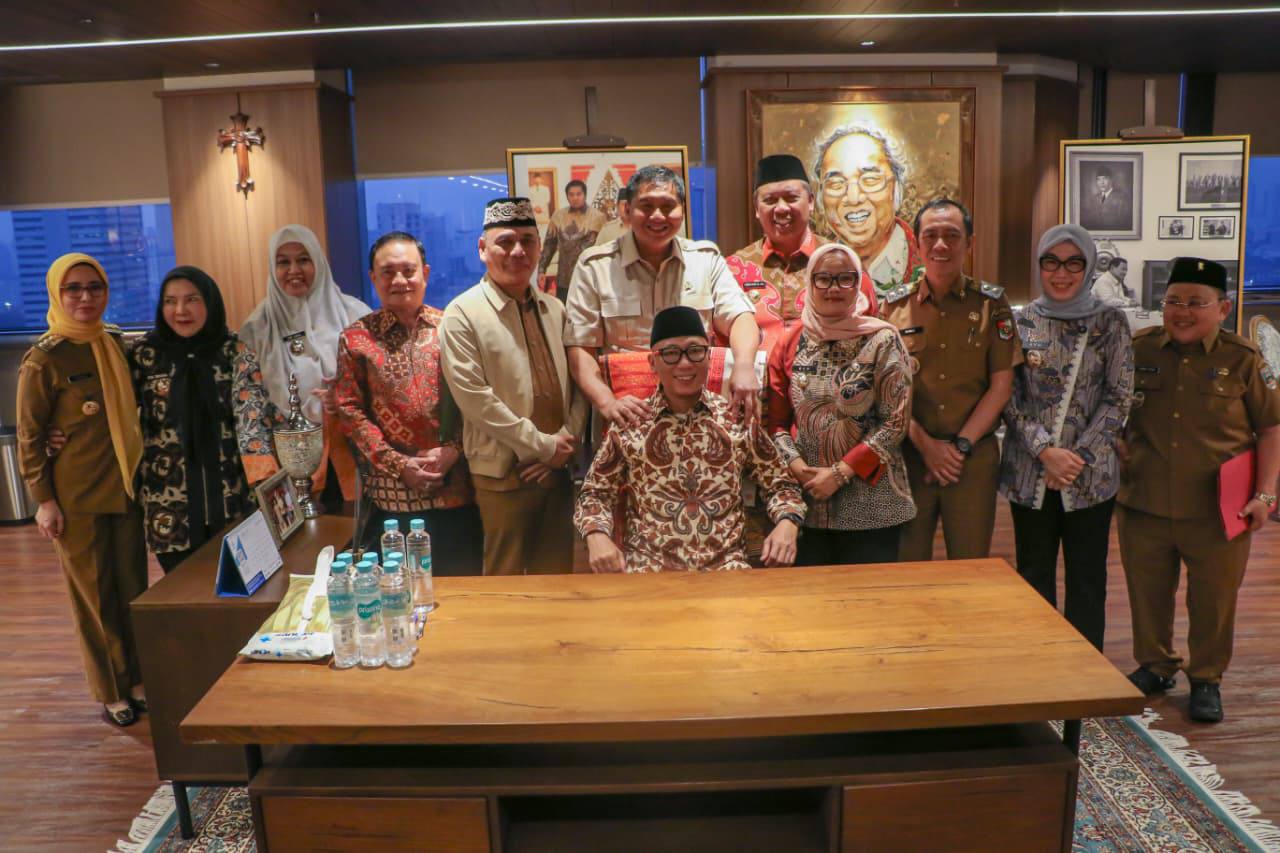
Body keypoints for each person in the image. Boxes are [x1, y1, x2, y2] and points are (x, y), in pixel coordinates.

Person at [1118, 257, 1280, 723]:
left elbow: (1271, 429)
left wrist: (1266, 495)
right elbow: (1113, 408)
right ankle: (1156, 665)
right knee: (1147, 593)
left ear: (1223, 308)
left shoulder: (1244, 359)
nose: (1182, 312)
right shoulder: (1140, 349)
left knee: (1213, 600)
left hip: (1219, 510)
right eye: (1173, 301)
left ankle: (1206, 677)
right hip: (1145, 501)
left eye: (1195, 302)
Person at [16, 253, 147, 727]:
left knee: (132, 588)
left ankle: (137, 678)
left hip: (126, 488)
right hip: (76, 496)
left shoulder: (115, 343)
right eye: (73, 288)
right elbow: (30, 435)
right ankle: (111, 689)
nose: (85, 297)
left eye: (95, 287)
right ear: (57, 293)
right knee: (95, 597)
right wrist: (44, 501)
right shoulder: (44, 358)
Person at [574, 306, 805, 573]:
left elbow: (782, 486)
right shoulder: (631, 423)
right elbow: (595, 493)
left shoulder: (735, 419)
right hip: (649, 574)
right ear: (652, 362)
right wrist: (596, 535)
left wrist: (787, 523)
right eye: (670, 353)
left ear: (708, 356)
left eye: (695, 351)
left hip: (727, 573)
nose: (684, 363)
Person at [999, 225, 1134, 651]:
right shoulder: (1020, 321)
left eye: (1073, 263)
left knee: (1088, 580)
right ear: (1039, 265)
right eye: (1051, 262)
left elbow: (1119, 396)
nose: (1061, 273)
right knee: (1033, 577)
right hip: (1030, 474)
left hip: (1090, 478)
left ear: (1089, 266)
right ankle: (1040, 670)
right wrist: (1045, 451)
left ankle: (1086, 673)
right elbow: (1007, 395)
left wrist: (1075, 459)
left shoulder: (1111, 322)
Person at [441, 198, 588, 575]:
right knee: (503, 581)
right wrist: (543, 447)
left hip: (557, 470)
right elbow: (475, 400)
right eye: (505, 242)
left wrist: (564, 442)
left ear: (539, 247)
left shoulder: (555, 309)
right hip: (503, 473)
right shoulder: (462, 313)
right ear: (482, 248)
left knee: (556, 578)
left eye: (527, 240)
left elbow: (579, 384)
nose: (518, 251)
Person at [880, 198, 1022, 561]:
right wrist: (926, 446)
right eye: (931, 236)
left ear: (969, 243)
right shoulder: (892, 308)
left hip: (971, 460)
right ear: (917, 244)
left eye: (952, 235)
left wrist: (957, 449)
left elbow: (1001, 386)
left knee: (970, 566)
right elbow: (884, 393)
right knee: (907, 565)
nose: (940, 245)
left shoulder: (992, 304)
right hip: (911, 457)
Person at [566, 165, 760, 429]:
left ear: (683, 210)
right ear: (627, 210)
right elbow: (580, 347)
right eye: (646, 206)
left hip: (699, 419)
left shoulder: (705, 260)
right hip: (626, 417)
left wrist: (745, 365)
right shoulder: (595, 267)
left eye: (668, 206)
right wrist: (607, 402)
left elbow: (740, 317)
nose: (657, 216)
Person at [333, 231, 482, 572]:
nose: (399, 280)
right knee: (400, 590)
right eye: (388, 272)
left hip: (458, 488)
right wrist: (400, 465)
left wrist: (454, 450)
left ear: (425, 274)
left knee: (464, 588)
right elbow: (349, 412)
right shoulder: (355, 339)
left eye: (408, 271)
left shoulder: (453, 328)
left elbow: (477, 397)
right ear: (373, 278)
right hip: (392, 498)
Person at [768, 243, 915, 565]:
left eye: (844, 279)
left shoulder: (882, 339)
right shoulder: (791, 341)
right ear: (810, 283)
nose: (833, 288)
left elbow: (895, 422)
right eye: (823, 278)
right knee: (812, 594)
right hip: (809, 501)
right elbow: (775, 421)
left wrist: (840, 473)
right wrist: (796, 465)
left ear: (858, 283)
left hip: (871, 504)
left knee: (867, 594)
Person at [128, 266, 280, 572]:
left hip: (232, 496)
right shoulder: (143, 355)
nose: (180, 310)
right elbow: (118, 414)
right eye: (170, 301)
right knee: (184, 589)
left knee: (240, 585)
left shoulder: (234, 350)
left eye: (192, 299)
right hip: (169, 503)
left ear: (210, 302)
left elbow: (255, 421)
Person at [239, 224, 370, 501]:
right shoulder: (257, 329)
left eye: (303, 259)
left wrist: (345, 400)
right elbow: (249, 408)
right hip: (288, 469)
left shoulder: (355, 315)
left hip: (356, 460)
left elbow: (379, 387)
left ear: (319, 263)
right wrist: (267, 481)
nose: (294, 270)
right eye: (283, 262)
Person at [813, 126, 922, 296]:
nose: (853, 198)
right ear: (820, 197)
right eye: (836, 184)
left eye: (870, 180)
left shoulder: (930, 262)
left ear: (897, 189)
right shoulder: (812, 268)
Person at [538, 179, 607, 299]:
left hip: (589, 279)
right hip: (564, 280)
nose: (575, 198)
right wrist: (541, 270)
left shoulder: (598, 217)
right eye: (571, 194)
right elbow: (549, 245)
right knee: (564, 310)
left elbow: (604, 249)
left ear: (585, 195)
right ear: (567, 196)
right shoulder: (558, 216)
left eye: (578, 194)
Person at [1080, 168, 1131, 233]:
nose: (1102, 183)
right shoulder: (1095, 198)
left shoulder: (1122, 198)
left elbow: (1124, 223)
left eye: (1105, 179)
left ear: (1111, 180)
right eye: (1098, 179)